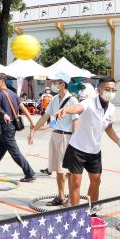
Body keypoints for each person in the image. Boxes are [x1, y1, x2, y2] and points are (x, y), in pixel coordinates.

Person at [56, 77, 120, 207]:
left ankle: (92, 210)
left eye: (113, 90)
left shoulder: (112, 108)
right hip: (77, 149)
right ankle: (76, 214)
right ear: (99, 90)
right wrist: (66, 110)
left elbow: (108, 128)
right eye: (107, 89)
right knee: (76, 183)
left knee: (96, 181)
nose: (111, 92)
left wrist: (119, 142)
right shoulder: (89, 102)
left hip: (94, 151)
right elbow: (77, 107)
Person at [29, 74, 79, 205]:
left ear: (63, 84)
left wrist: (74, 141)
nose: (53, 85)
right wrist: (33, 130)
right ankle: (60, 196)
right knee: (58, 169)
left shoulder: (72, 101)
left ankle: (70, 198)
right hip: (55, 135)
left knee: (67, 171)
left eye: (56, 83)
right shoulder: (55, 99)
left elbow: (75, 122)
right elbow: (45, 116)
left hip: (67, 136)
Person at [0, 74, 36, 182]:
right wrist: (31, 121)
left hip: (6, 127)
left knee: (15, 152)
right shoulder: (13, 94)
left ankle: (29, 173)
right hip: (11, 127)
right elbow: (23, 108)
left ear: (2, 81)